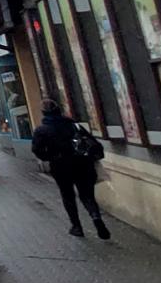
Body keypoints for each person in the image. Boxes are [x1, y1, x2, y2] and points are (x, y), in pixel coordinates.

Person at [30, 99, 110, 239]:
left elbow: (37, 150)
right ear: (58, 110)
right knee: (87, 195)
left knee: (68, 196)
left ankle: (77, 227)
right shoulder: (73, 125)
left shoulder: (41, 130)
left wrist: (49, 157)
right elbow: (91, 141)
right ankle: (95, 216)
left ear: (44, 113)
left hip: (60, 166)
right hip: (82, 163)